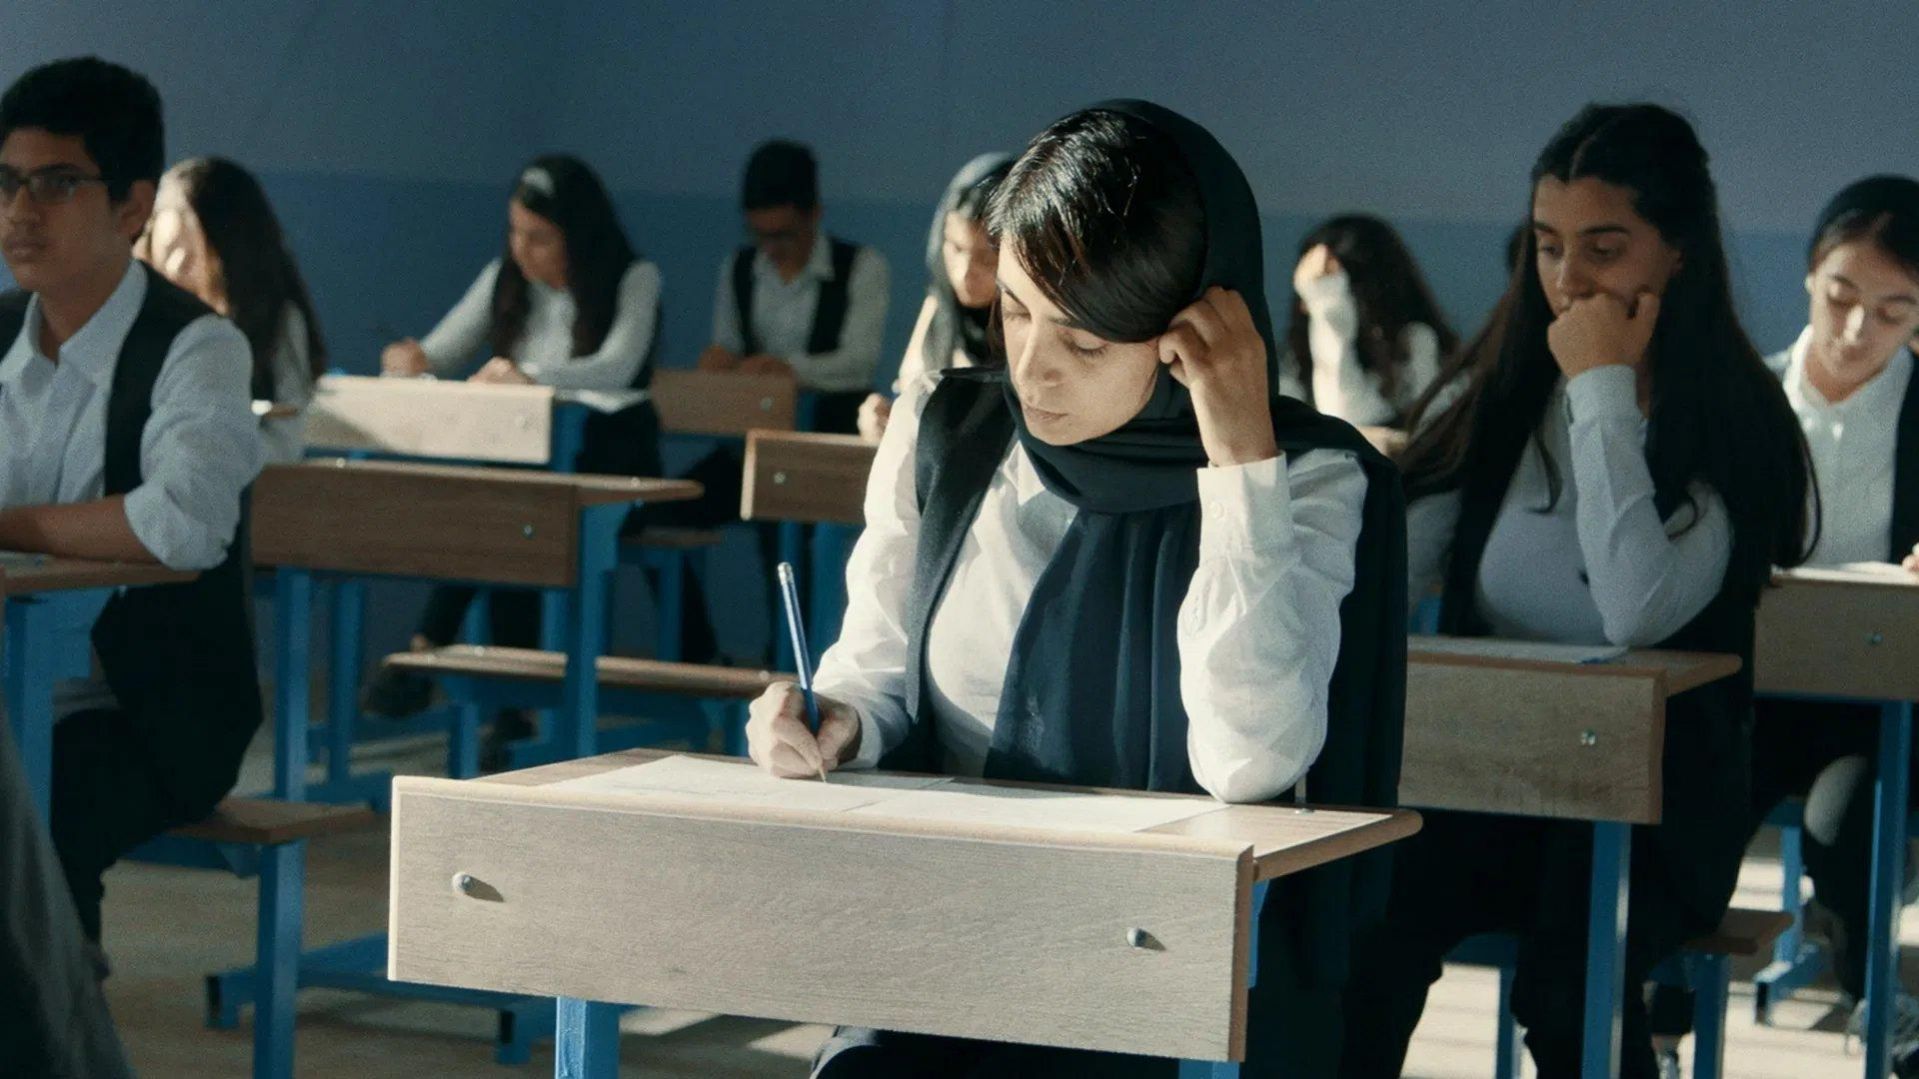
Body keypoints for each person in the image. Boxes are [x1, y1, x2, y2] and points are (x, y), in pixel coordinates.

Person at [746, 100, 1406, 1078]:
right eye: (1015, 311)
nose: (1033, 371)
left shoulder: (1304, 477)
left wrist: (1238, 464)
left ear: (1193, 333)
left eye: (1086, 343)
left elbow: (1247, 759)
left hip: (1162, 964)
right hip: (945, 930)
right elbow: (875, 672)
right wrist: (835, 716)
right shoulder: (944, 429)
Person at [1339, 103, 1815, 1078]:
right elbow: (1380, 570)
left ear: (1676, 251)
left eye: (1603, 248)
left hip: (1657, 810)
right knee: (1358, 939)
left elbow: (1634, 610)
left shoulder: (1732, 421)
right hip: (1493, 778)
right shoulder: (1500, 392)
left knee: (1568, 989)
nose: (1567, 279)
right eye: (1548, 245)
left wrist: (1601, 387)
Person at [0, 56, 265, 950]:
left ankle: (60, 1016)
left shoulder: (197, 348)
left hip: (152, 710)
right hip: (9, 690)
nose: (20, 211)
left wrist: (10, 528)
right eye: (5, 182)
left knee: (31, 813)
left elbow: (182, 522)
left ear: (131, 206)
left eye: (55, 183)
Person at [361, 154, 663, 770]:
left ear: (578, 235)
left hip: (610, 464)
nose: (522, 250)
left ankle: (437, 647)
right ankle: (503, 704)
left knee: (509, 506)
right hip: (527, 478)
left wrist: (530, 376)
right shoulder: (506, 275)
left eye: (540, 237)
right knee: (509, 509)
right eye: (515, 232)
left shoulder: (635, 278)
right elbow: (443, 348)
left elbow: (616, 367)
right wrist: (412, 358)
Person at [138, 155, 327, 463]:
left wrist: (211, 447)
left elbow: (285, 444)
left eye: (192, 254)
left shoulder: (278, 323)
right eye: (169, 250)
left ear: (235, 253)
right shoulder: (139, 321)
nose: (175, 268)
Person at [859, 152, 1012, 442]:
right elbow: (909, 399)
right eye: (955, 248)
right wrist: (882, 418)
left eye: (986, 258)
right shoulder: (939, 308)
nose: (964, 273)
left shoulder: (1040, 325)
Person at [1281, 214, 1457, 437]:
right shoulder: (1293, 365)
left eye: (1331, 286)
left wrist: (1329, 309)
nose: (1307, 305)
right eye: (1306, 289)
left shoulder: (1418, 345)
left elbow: (1345, 420)